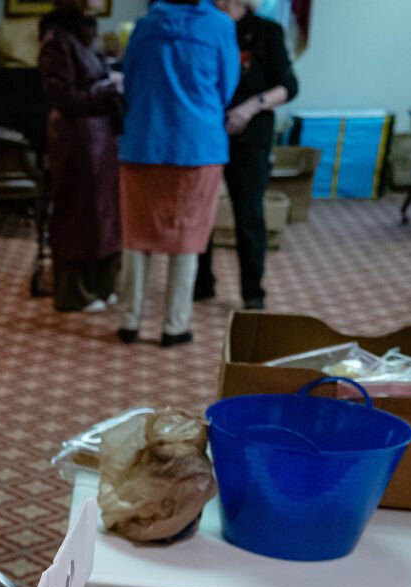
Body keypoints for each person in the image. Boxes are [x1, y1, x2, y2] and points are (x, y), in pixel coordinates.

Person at [115, 0, 239, 346]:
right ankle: (174, 325)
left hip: (144, 140)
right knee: (187, 236)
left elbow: (131, 80)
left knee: (136, 235)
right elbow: (226, 87)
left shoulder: (145, 25)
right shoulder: (219, 26)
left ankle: (130, 320)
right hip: (197, 144)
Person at [195, 0, 297, 310]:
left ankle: (253, 291)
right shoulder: (205, 25)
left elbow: (288, 86)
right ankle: (200, 284)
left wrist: (252, 106)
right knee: (201, 212)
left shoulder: (267, 31)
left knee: (249, 214)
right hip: (209, 134)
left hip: (251, 136)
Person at [39, 0, 124, 312]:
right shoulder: (57, 38)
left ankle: (101, 285)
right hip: (76, 137)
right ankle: (74, 291)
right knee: (78, 213)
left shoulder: (88, 33)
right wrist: (108, 87)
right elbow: (64, 96)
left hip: (101, 135)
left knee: (105, 214)